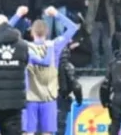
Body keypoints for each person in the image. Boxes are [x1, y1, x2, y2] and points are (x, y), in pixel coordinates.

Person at [16, 7, 79, 135]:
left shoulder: (24, 46)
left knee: (28, 132)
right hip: (49, 97)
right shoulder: (54, 45)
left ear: (31, 32)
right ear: (48, 31)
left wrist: (18, 15)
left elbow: (2, 32)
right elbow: (73, 28)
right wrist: (56, 14)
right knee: (47, 132)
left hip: (30, 97)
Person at [100, 40, 121, 135]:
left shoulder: (113, 62)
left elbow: (105, 85)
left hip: (116, 97)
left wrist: (105, 101)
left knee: (114, 124)